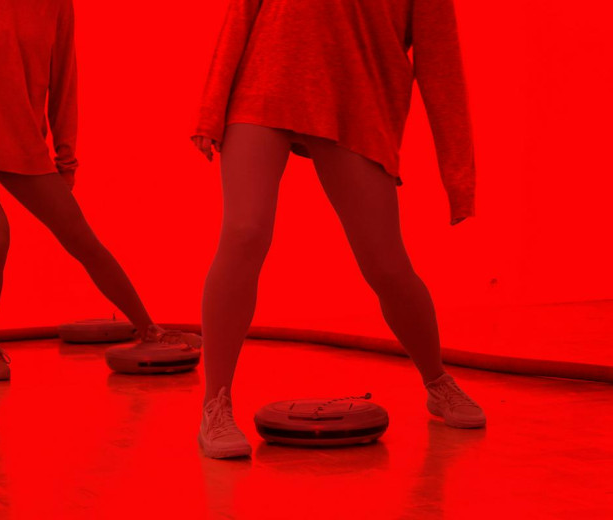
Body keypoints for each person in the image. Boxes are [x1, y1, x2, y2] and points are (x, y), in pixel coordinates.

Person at [191, 0, 486, 459]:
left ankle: (437, 380)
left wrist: (458, 177)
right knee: (245, 232)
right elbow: (242, 12)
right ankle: (216, 404)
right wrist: (211, 109)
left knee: (386, 264)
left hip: (357, 103)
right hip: (263, 86)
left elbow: (440, 64)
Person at [0, 0, 199, 381]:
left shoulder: (57, 5)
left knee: (82, 238)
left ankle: (150, 329)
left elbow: (64, 79)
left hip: (21, 142)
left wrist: (66, 158)